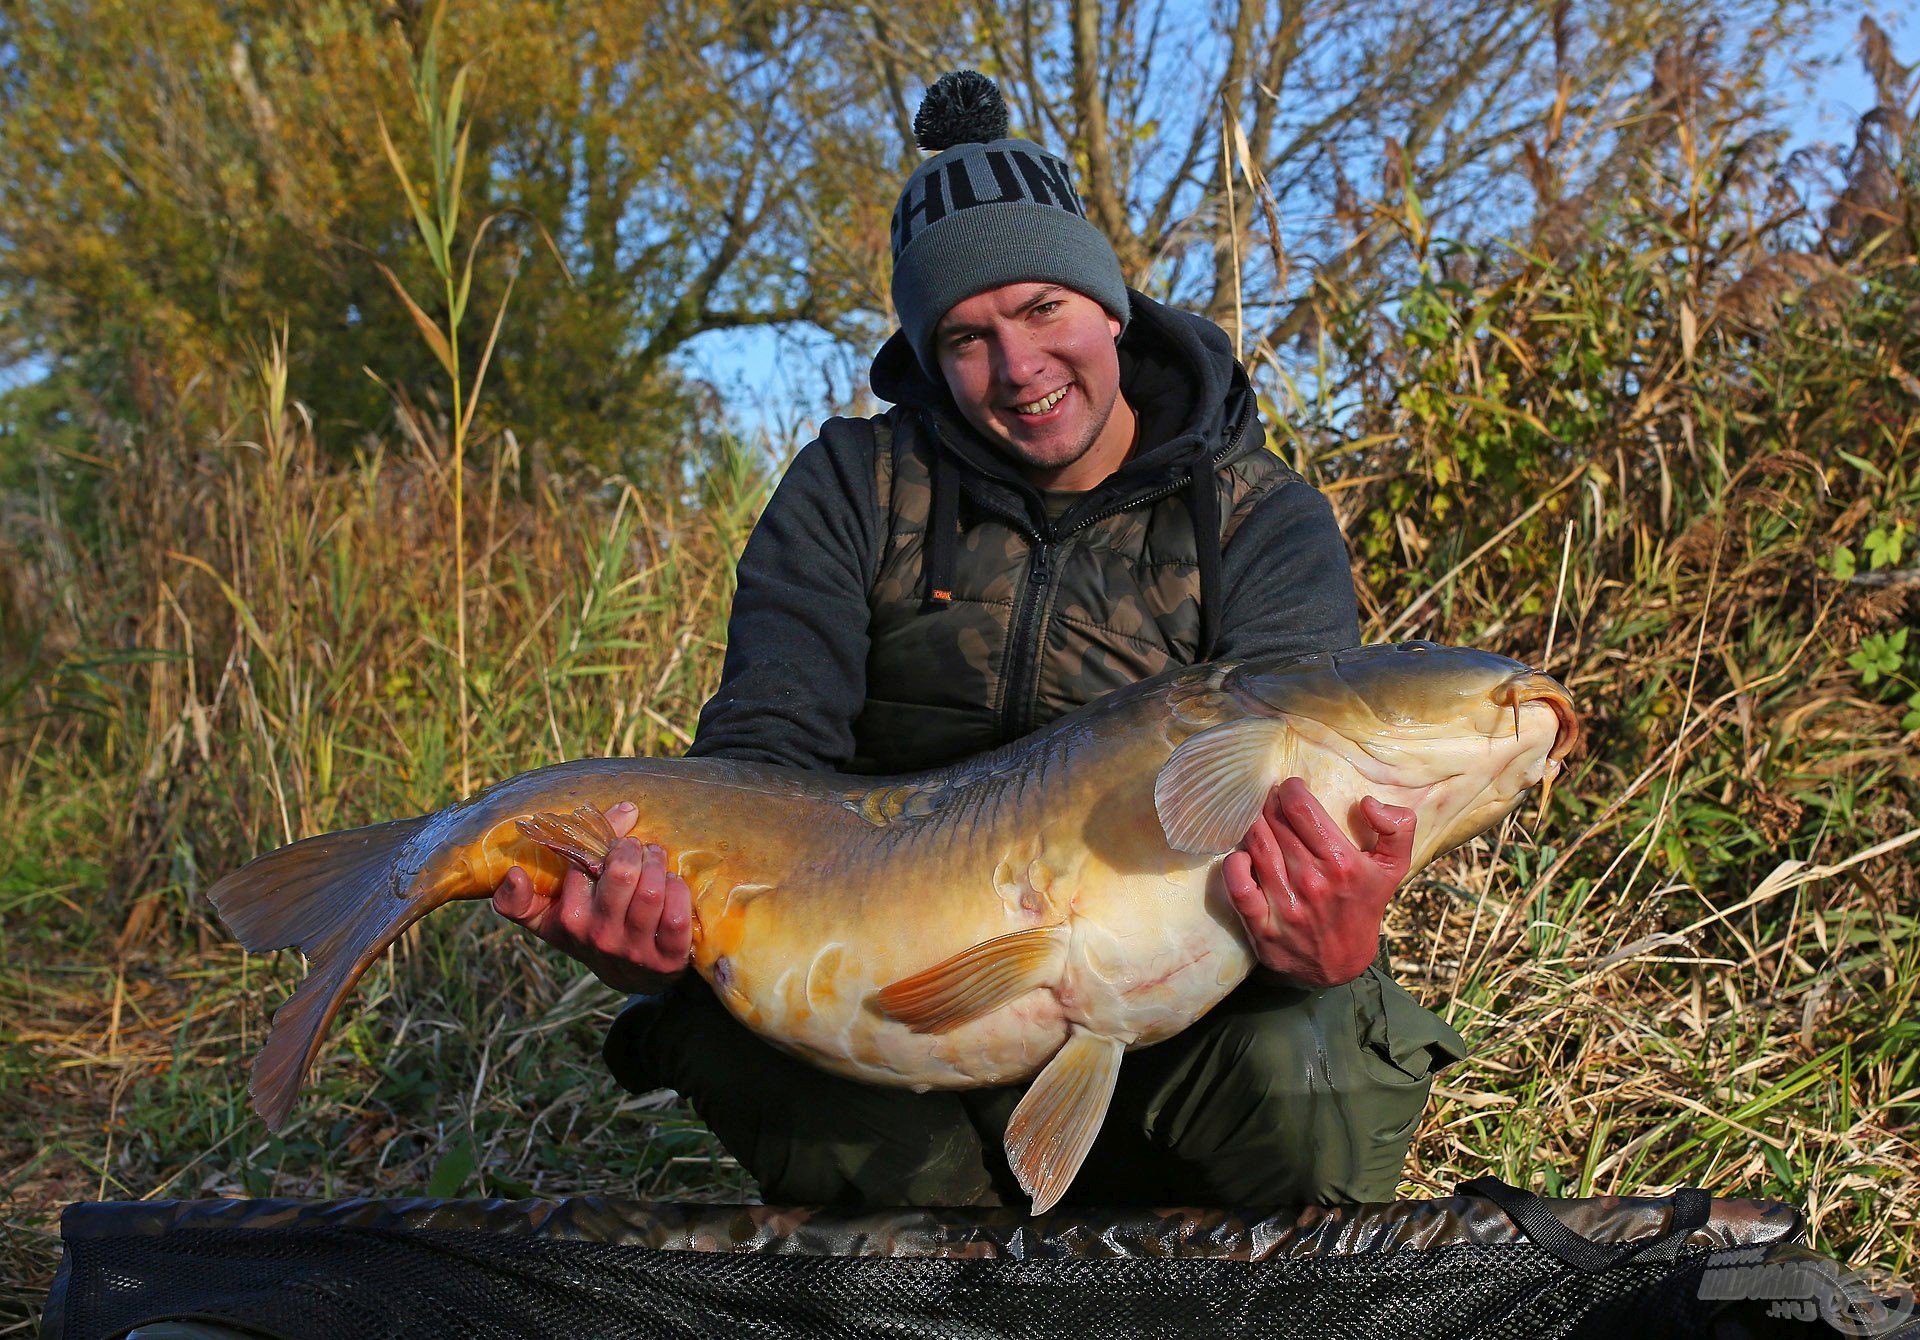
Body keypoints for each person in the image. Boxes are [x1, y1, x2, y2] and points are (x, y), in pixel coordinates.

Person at [492, 71, 1465, 1209]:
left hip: (1175, 1017)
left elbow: (1312, 794)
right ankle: (946, 1266)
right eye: (967, 335)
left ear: (1111, 304)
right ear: (927, 353)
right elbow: (758, 761)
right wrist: (654, 926)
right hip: (897, 1008)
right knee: (740, 1043)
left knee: (1319, 1052)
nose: (1018, 368)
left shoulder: (1254, 513)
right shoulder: (855, 486)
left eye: (1044, 308)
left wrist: (1336, 934)